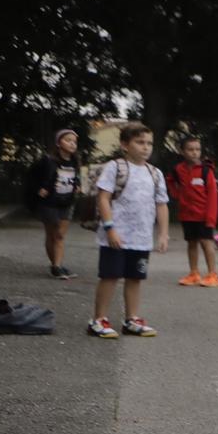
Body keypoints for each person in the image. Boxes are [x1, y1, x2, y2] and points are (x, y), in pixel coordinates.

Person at [88, 123, 170, 339]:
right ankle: (98, 319)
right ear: (125, 145)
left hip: (141, 237)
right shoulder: (115, 167)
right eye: (140, 142)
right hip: (116, 236)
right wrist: (110, 228)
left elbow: (161, 204)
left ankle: (131, 319)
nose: (145, 147)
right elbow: (103, 198)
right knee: (110, 276)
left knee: (135, 278)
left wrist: (163, 233)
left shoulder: (155, 173)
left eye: (149, 143)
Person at [26, 127, 84, 279]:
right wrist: (39, 189)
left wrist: (77, 185)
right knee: (51, 234)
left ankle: (57, 266)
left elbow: (76, 176)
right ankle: (55, 265)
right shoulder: (48, 160)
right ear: (59, 143)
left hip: (67, 202)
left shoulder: (75, 160)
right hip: (50, 202)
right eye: (68, 140)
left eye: (74, 141)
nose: (72, 144)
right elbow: (31, 175)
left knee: (59, 235)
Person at [169, 135, 218, 287]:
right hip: (187, 215)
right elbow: (170, 181)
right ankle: (194, 273)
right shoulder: (178, 170)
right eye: (190, 149)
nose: (194, 153)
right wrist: (177, 195)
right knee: (191, 243)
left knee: (207, 243)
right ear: (182, 151)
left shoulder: (206, 171)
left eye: (197, 149)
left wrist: (211, 218)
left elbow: (213, 195)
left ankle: (212, 274)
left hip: (204, 216)